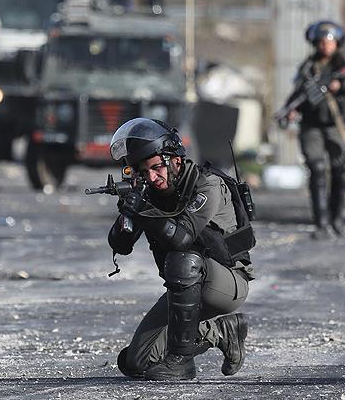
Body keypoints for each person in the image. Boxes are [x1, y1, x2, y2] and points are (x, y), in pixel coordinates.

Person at [107, 118, 254, 381]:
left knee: (183, 258)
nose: (152, 178)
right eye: (144, 173)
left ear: (174, 159)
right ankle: (221, 332)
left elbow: (181, 239)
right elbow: (121, 245)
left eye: (156, 168)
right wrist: (128, 213)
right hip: (184, 288)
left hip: (226, 283)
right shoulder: (150, 190)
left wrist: (143, 210)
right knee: (136, 362)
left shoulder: (206, 184)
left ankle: (181, 360)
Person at [283, 21, 345, 239]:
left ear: (337, 43)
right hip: (312, 126)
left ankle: (336, 218)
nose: (325, 46)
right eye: (321, 41)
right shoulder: (307, 69)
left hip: (338, 127)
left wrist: (343, 86)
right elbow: (297, 95)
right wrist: (290, 111)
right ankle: (321, 223)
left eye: (329, 41)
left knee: (341, 172)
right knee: (317, 168)